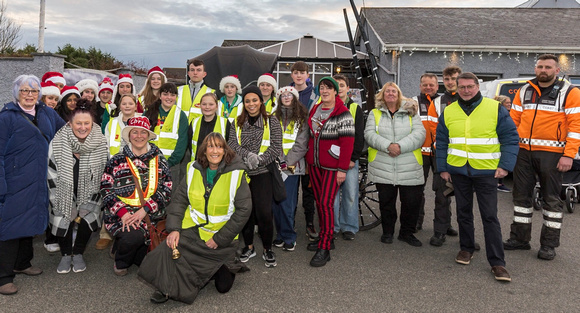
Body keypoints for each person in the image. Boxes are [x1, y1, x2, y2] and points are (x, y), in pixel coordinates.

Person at [138, 133, 252, 304]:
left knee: (223, 287)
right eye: (210, 146)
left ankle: (216, 267)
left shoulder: (236, 173)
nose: (215, 151)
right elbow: (179, 201)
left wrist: (220, 238)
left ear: (225, 150)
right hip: (194, 231)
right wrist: (174, 229)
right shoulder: (193, 169)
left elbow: (244, 210)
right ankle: (165, 287)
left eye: (219, 146)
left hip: (221, 238)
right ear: (204, 151)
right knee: (167, 249)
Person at [436, 72, 518, 282]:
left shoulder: (495, 108)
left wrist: (505, 166)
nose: (466, 90)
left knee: (489, 216)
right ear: (456, 88)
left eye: (470, 86)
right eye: (462, 87)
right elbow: (442, 141)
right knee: (463, 213)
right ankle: (466, 248)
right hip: (458, 171)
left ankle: (497, 262)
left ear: (477, 86)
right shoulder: (449, 111)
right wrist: (443, 167)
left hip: (487, 172)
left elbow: (510, 138)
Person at [504, 54, 580, 260]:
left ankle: (549, 245)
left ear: (557, 70)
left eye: (547, 67)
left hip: (553, 154)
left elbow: (576, 127)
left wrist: (569, 155)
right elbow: (513, 121)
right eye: (540, 66)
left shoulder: (570, 92)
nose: (543, 70)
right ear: (535, 69)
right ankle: (519, 239)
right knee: (520, 198)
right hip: (523, 152)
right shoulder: (525, 90)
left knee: (552, 201)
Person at [0, 75, 65, 295]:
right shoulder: (7, 117)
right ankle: (3, 277)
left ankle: (23, 263)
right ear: (16, 92)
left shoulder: (46, 112)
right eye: (25, 91)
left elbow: (65, 132)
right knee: (10, 225)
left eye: (34, 91)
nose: (30, 95)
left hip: (39, 177)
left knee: (29, 218)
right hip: (14, 179)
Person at [101, 116, 172, 276]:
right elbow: (106, 189)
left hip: (151, 217)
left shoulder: (160, 159)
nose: (139, 136)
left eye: (143, 132)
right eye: (135, 132)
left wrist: (144, 210)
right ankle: (121, 260)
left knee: (149, 264)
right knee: (132, 237)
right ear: (128, 135)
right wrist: (123, 214)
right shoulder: (116, 160)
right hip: (122, 217)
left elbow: (167, 189)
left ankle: (124, 247)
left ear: (148, 136)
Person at [47, 100, 108, 274]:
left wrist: (93, 200)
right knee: (64, 213)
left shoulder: (101, 142)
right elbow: (51, 173)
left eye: (86, 123)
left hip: (91, 191)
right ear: (70, 123)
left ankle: (79, 252)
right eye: (78, 123)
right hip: (62, 190)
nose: (82, 127)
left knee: (88, 215)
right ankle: (66, 254)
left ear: (92, 123)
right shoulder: (57, 142)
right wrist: (61, 198)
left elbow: (104, 172)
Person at [365, 82, 425, 248]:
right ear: (382, 95)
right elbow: (369, 134)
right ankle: (388, 232)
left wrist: (399, 147)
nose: (390, 94)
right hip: (383, 165)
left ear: (399, 95)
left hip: (409, 165)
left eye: (394, 91)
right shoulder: (374, 113)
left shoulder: (411, 112)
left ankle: (407, 233)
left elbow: (420, 134)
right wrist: (387, 146)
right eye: (387, 91)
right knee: (387, 203)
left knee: (411, 203)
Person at [228, 86, 282, 267]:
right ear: (244, 103)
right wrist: (247, 157)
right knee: (245, 213)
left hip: (263, 173)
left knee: (264, 213)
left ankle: (268, 249)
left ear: (261, 101)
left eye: (254, 100)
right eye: (247, 101)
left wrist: (259, 160)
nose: (251, 104)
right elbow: (231, 145)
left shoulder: (271, 121)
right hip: (242, 173)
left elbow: (276, 147)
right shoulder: (236, 122)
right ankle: (249, 246)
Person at [306, 77, 354, 267]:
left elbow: (347, 143)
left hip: (332, 168)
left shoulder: (343, 113)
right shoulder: (315, 109)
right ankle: (326, 237)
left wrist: (342, 169)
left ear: (336, 91)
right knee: (320, 202)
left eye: (329, 88)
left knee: (326, 204)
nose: (325, 91)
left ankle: (325, 246)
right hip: (315, 165)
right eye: (322, 88)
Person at [422, 66, 463, 246]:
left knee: (463, 197)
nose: (450, 82)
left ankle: (458, 231)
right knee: (441, 193)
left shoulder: (469, 99)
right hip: (444, 155)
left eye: (453, 78)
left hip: (466, 156)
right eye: (446, 79)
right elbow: (433, 129)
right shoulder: (437, 103)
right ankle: (439, 231)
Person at [272, 86, 309, 251]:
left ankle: (289, 236)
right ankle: (279, 235)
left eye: (290, 95)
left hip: (292, 168)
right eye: (283, 95)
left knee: (287, 204)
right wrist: (276, 162)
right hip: (274, 167)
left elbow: (302, 144)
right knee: (275, 204)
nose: (286, 97)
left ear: (295, 98)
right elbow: (270, 141)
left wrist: (286, 163)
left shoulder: (302, 118)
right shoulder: (273, 117)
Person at [332, 75, 364, 241]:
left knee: (350, 194)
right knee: (333, 195)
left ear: (347, 88)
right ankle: (334, 226)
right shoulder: (326, 107)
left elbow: (359, 136)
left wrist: (353, 158)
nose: (339, 88)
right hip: (331, 159)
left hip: (350, 159)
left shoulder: (355, 109)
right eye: (336, 85)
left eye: (342, 85)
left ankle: (349, 227)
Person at [289, 61, 319, 241]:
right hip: (291, 150)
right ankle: (289, 221)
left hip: (309, 151)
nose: (299, 75)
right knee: (290, 190)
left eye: (302, 72)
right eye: (295, 72)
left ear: (308, 75)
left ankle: (309, 222)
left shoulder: (315, 94)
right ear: (291, 75)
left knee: (309, 190)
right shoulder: (286, 92)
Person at [144, 82, 189, 170]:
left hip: (171, 165)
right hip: (148, 164)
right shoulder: (148, 112)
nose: (169, 98)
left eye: (172, 95)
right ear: (160, 96)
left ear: (176, 97)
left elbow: (182, 143)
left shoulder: (181, 115)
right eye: (165, 94)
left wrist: (169, 162)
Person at [191, 93, 230, 161]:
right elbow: (189, 145)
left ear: (217, 106)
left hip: (218, 166)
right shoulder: (194, 122)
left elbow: (229, 146)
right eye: (204, 104)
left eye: (211, 104)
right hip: (197, 165)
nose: (207, 107)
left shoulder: (225, 123)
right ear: (200, 106)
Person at [177, 59, 216, 123]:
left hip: (199, 130)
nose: (195, 73)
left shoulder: (211, 93)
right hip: (180, 130)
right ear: (188, 73)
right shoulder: (178, 90)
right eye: (192, 70)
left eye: (198, 70)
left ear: (204, 74)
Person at [104, 94, 141, 158]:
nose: (127, 106)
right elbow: (106, 144)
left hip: (137, 162)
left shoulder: (141, 122)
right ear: (120, 107)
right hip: (115, 162)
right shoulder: (112, 123)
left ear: (135, 107)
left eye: (130, 104)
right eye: (124, 104)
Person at [494, 95, 512, 193]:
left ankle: (499, 183)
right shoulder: (499, 114)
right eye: (507, 103)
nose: (509, 104)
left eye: (510, 102)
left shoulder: (509, 113)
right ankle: (498, 184)